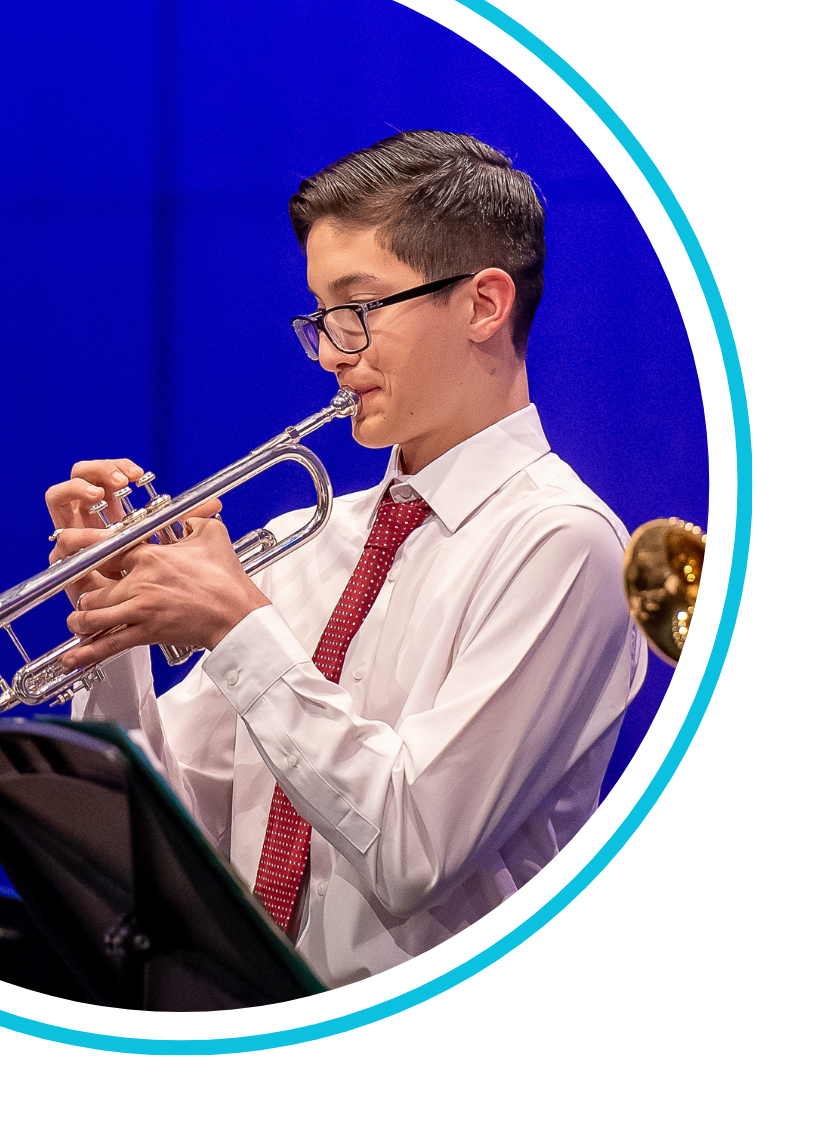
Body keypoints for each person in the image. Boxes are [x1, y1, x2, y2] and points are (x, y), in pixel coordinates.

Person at [44, 131, 645, 988]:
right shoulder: (313, 534)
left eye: (358, 308)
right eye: (321, 316)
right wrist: (113, 634)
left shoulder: (563, 543)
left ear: (483, 304)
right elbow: (157, 836)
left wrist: (238, 627)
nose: (331, 351)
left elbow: (411, 850)